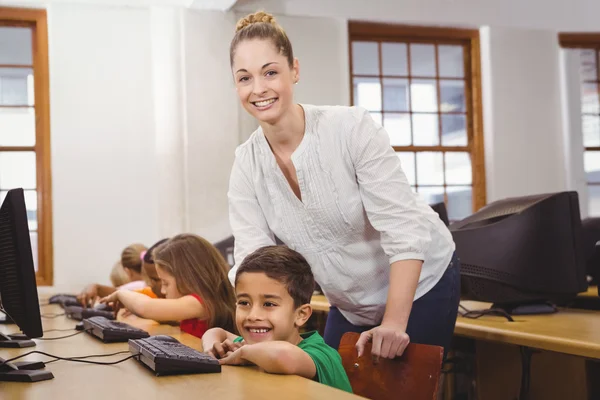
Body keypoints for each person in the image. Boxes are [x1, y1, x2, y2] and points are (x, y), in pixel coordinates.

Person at [227, 11, 461, 357]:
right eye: (244, 78)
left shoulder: (350, 128)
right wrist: (245, 335)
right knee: (327, 387)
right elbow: (254, 261)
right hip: (349, 302)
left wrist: (394, 323)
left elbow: (404, 230)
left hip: (422, 284)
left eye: (271, 72)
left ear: (295, 70)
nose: (258, 89)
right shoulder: (247, 163)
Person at [202, 246, 352, 393]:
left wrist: (243, 354)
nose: (253, 315)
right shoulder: (254, 345)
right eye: (244, 303)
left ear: (301, 315)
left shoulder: (321, 354)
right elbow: (216, 332)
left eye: (269, 304)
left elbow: (283, 356)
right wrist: (211, 349)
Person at [100, 234, 237, 338]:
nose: (162, 290)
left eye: (165, 283)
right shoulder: (199, 303)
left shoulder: (199, 303)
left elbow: (145, 308)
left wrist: (121, 294)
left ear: (188, 278)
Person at [78, 243, 148, 306]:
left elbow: (117, 293)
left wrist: (96, 287)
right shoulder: (145, 286)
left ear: (128, 272)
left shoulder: (141, 285)